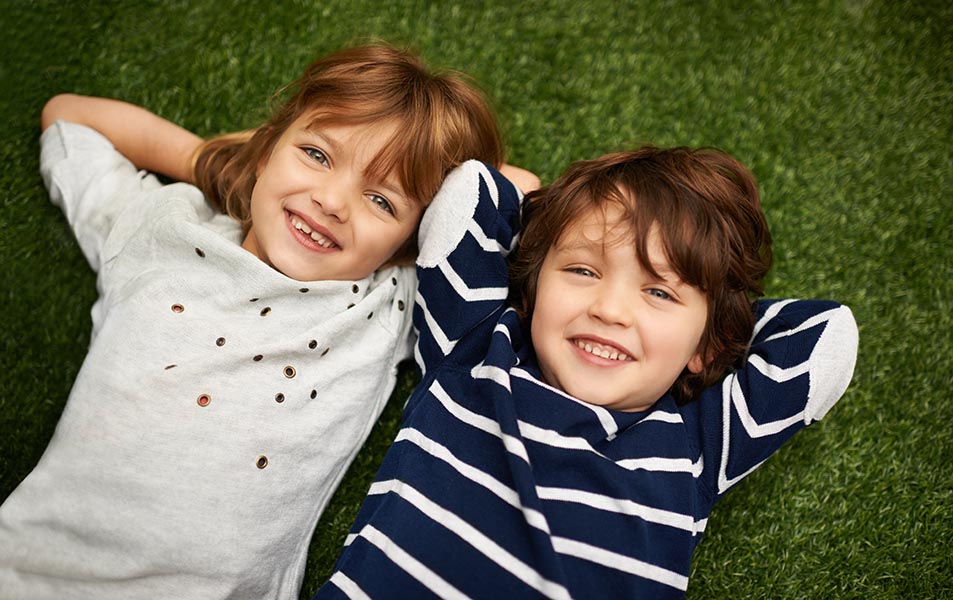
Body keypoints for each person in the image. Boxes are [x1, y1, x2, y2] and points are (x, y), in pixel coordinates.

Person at [0, 44, 537, 599]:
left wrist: (428, 184)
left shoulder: (385, 304)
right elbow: (69, 116)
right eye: (316, 154)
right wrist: (211, 160)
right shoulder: (163, 226)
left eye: (381, 201)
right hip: (31, 567)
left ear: (410, 240)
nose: (332, 201)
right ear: (267, 150)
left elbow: (511, 192)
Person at [314, 150, 859, 598]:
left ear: (709, 346)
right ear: (531, 288)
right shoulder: (476, 349)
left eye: (659, 291)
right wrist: (539, 229)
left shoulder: (697, 445)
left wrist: (719, 319)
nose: (611, 310)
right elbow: (470, 193)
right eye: (581, 270)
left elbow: (825, 336)